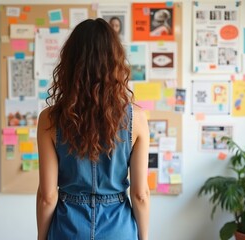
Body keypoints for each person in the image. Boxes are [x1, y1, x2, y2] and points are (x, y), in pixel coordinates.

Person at [36, 18, 150, 240]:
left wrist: (41, 237)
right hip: (119, 228)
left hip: (68, 227)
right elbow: (140, 194)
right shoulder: (137, 118)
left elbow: (47, 196)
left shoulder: (49, 119)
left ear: (69, 63)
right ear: (115, 62)